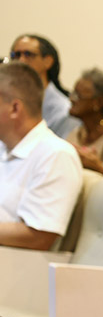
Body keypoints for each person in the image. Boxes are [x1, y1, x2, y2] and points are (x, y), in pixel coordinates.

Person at [0, 62, 81, 250]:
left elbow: (39, 236)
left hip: (19, 268)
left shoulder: (55, 155)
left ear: (15, 108)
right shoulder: (4, 147)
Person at [8, 34, 78, 138]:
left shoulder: (64, 111)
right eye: (16, 55)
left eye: (28, 54)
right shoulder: (7, 102)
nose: (21, 60)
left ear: (48, 61)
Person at [65, 68, 103, 162]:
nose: (71, 99)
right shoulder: (78, 132)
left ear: (99, 102)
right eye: (73, 93)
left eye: (78, 95)